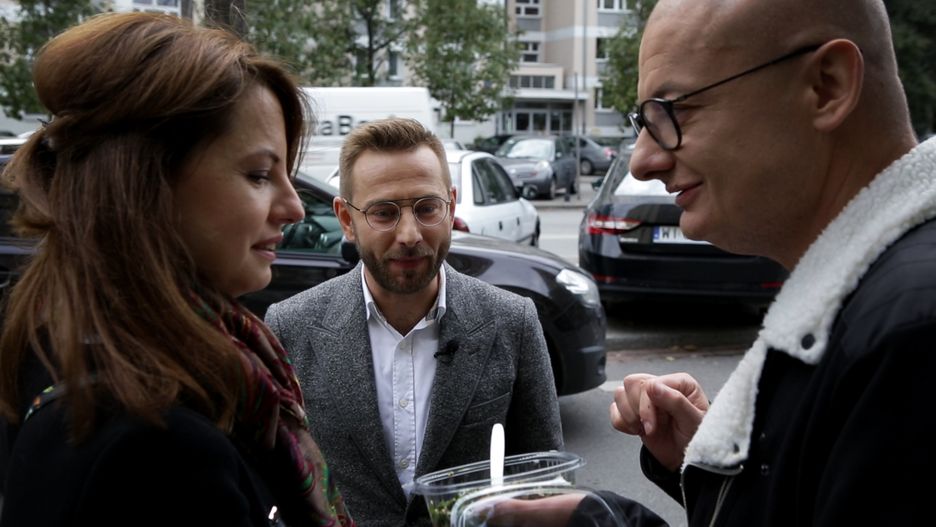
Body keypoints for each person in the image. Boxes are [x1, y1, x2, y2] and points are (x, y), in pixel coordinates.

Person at [0, 12, 353, 527]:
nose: (295, 208)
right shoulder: (154, 448)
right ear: (146, 187)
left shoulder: (79, 357)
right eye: (259, 174)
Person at [603, 0, 936, 525]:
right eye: (643, 121)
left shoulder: (910, 333)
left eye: (674, 111)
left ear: (826, 86)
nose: (643, 161)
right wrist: (729, 469)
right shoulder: (873, 309)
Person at [265, 117, 564, 526]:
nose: (409, 234)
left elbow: (545, 483)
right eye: (383, 213)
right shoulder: (290, 327)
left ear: (451, 207)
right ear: (347, 220)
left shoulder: (513, 321)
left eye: (426, 208)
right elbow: (277, 484)